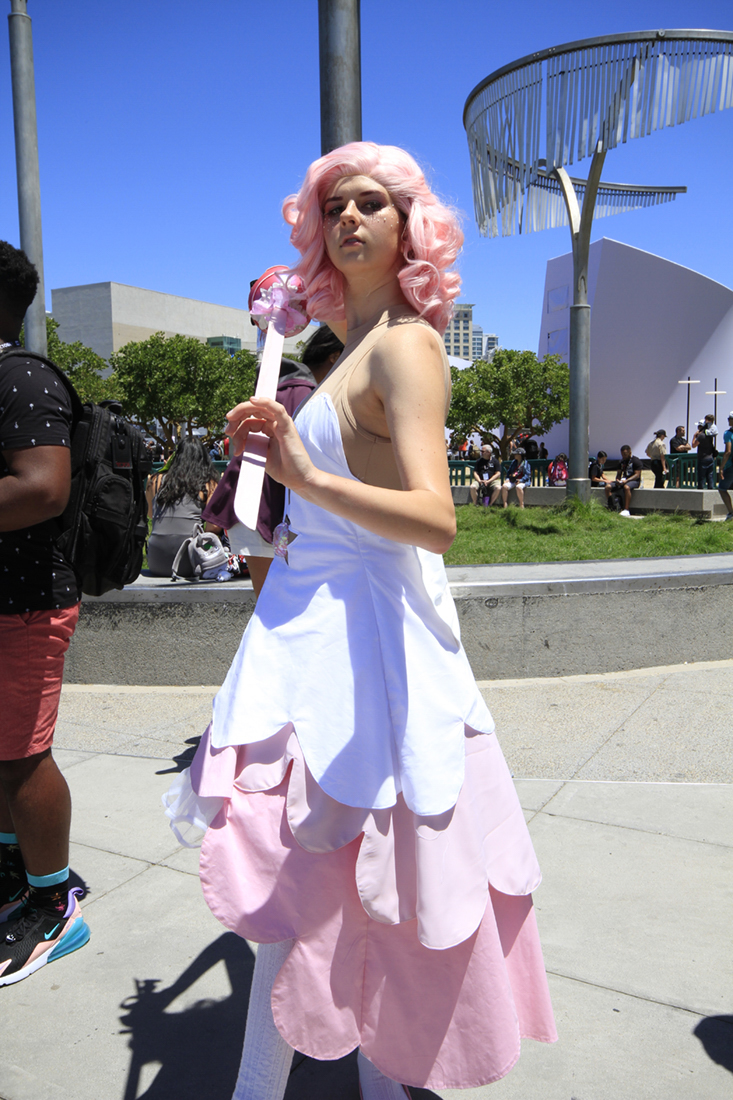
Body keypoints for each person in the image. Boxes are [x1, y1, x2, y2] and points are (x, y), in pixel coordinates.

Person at [164, 142, 555, 1099]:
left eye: (371, 203)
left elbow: (435, 519)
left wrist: (305, 473)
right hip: (317, 636)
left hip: (368, 650)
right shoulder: (349, 350)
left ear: (409, 225)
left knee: (334, 886)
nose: (348, 218)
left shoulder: (406, 345)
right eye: (334, 205)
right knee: (330, 887)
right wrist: (277, 469)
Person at [0, 240, 90, 985]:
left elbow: (42, 487)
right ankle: (14, 871)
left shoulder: (20, 377)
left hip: (25, 603)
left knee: (22, 755)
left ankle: (53, 904)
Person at [202, 326, 344, 595]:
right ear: (335, 356)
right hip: (297, 516)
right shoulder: (319, 399)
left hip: (250, 511)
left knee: (267, 604)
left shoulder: (270, 398)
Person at [145, 438, 222, 576]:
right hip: (192, 562)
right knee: (217, 542)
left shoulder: (155, 480)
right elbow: (214, 527)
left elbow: (151, 514)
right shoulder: (208, 484)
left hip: (156, 561)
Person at [605, 445, 643, 514]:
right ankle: (612, 506)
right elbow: (619, 473)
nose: (623, 456)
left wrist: (626, 481)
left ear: (630, 453)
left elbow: (637, 475)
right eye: (622, 454)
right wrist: (617, 480)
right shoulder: (621, 462)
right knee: (608, 487)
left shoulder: (636, 461)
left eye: (625, 454)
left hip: (633, 481)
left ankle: (626, 509)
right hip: (623, 480)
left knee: (626, 487)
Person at [692, 415, 717, 490]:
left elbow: (693, 445)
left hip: (702, 458)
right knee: (710, 476)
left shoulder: (701, 436)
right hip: (710, 457)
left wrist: (694, 437)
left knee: (701, 477)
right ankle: (710, 490)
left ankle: (700, 490)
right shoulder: (710, 436)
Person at [717, 411, 733, 520]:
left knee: (722, 488)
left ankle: (731, 513)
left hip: (731, 465)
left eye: (730, 418)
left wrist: (721, 467)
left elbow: (728, 452)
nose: (728, 420)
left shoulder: (728, 433)